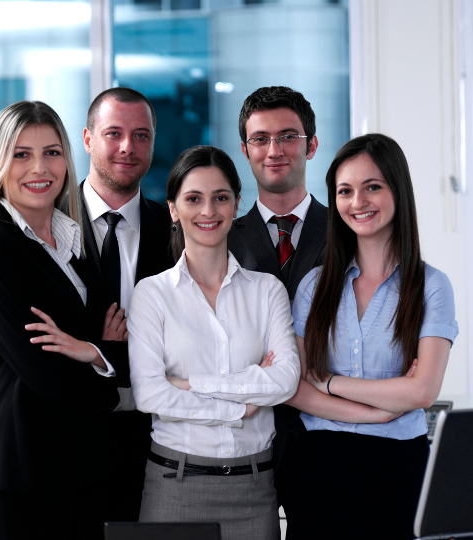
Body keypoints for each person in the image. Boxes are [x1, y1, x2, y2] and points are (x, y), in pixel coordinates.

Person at [0, 101, 130, 540]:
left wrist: (92, 352)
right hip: (28, 471)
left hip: (90, 464)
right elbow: (42, 369)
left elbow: (120, 344)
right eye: (21, 154)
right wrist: (105, 370)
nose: (40, 167)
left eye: (52, 152)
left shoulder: (74, 242)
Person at [287, 133, 458, 540]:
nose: (357, 202)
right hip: (321, 468)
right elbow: (293, 388)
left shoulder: (432, 286)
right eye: (345, 191)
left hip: (400, 469)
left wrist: (330, 382)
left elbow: (421, 392)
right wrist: (380, 408)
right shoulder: (314, 286)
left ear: (397, 190)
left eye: (373, 187)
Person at [126, 145, 301, 540]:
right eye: (193, 199)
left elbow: (286, 381)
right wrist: (244, 404)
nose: (208, 211)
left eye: (220, 198)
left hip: (255, 489)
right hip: (176, 485)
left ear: (237, 205)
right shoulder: (151, 295)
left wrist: (193, 385)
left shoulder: (267, 291)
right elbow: (151, 396)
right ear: (173, 208)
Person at [227, 85, 327, 519]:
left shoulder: (351, 232)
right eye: (261, 139)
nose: (275, 150)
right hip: (246, 441)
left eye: (288, 136)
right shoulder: (220, 237)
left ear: (312, 145)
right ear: (245, 150)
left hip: (328, 434)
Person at [78, 86, 174, 521]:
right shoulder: (44, 229)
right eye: (114, 132)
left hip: (156, 448)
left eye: (141, 136)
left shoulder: (178, 233)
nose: (127, 147)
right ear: (87, 139)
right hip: (65, 448)